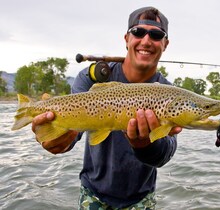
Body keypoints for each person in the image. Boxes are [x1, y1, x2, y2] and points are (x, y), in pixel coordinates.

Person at [32, 6, 182, 209]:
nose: (146, 41)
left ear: (165, 44)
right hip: (93, 193)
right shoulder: (90, 78)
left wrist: (144, 145)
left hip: (141, 198)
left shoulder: (169, 94)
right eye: (138, 32)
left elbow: (165, 154)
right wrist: (58, 139)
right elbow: (71, 136)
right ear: (126, 38)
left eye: (156, 35)